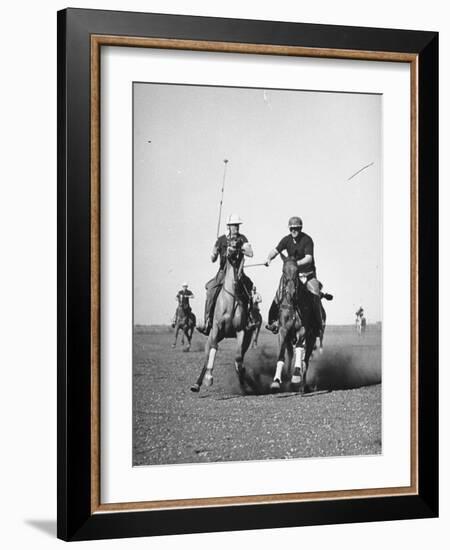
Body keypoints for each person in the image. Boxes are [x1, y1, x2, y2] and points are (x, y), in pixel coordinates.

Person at [265, 216, 328, 334]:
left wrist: (294, 264)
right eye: (291, 229)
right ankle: (273, 322)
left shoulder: (307, 240)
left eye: (296, 228)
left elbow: (309, 258)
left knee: (315, 294)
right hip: (292, 275)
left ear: (300, 228)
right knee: (279, 294)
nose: (294, 231)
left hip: (307, 275)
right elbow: (275, 250)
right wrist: (269, 258)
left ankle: (319, 324)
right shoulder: (286, 240)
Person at [197, 214, 255, 335]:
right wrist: (214, 251)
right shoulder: (221, 239)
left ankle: (249, 319)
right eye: (234, 225)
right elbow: (213, 259)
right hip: (223, 272)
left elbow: (250, 253)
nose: (237, 228)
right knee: (210, 290)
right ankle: (208, 320)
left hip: (239, 272)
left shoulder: (242, 238)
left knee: (249, 288)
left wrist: (239, 249)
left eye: (238, 225)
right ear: (228, 226)